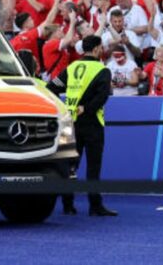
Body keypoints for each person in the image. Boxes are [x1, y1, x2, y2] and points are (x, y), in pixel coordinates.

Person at [48, 35, 117, 217]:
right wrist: (86, 108)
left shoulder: (72, 67)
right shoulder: (102, 70)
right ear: (96, 49)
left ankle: (67, 205)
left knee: (70, 166)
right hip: (92, 123)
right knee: (93, 166)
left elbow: (51, 88)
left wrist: (65, 108)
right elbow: (102, 97)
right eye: (100, 47)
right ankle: (95, 206)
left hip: (70, 123)